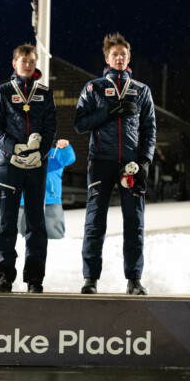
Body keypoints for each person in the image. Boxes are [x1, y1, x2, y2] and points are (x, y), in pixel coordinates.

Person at [74, 33, 156, 295]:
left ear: (129, 58)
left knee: (134, 223)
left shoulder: (141, 90)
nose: (119, 58)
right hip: (100, 161)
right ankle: (90, 279)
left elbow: (149, 130)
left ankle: (134, 281)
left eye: (123, 54)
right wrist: (108, 111)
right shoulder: (93, 88)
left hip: (131, 165)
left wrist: (145, 161)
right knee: (95, 221)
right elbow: (80, 124)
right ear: (107, 59)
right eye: (114, 54)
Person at [0, 43, 57, 293]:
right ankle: (4, 276)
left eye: (31, 60)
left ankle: (34, 278)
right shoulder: (2, 92)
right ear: (14, 63)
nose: (27, 64)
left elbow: (50, 128)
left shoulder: (45, 93)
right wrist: (14, 148)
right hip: (9, 165)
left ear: (36, 63)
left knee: (36, 222)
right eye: (23, 60)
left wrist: (40, 153)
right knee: (8, 223)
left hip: (37, 165)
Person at [18, 139, 76, 239]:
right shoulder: (22, 153)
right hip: (25, 201)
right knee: (21, 236)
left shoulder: (54, 153)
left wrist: (65, 148)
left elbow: (68, 159)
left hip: (50, 201)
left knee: (54, 235)